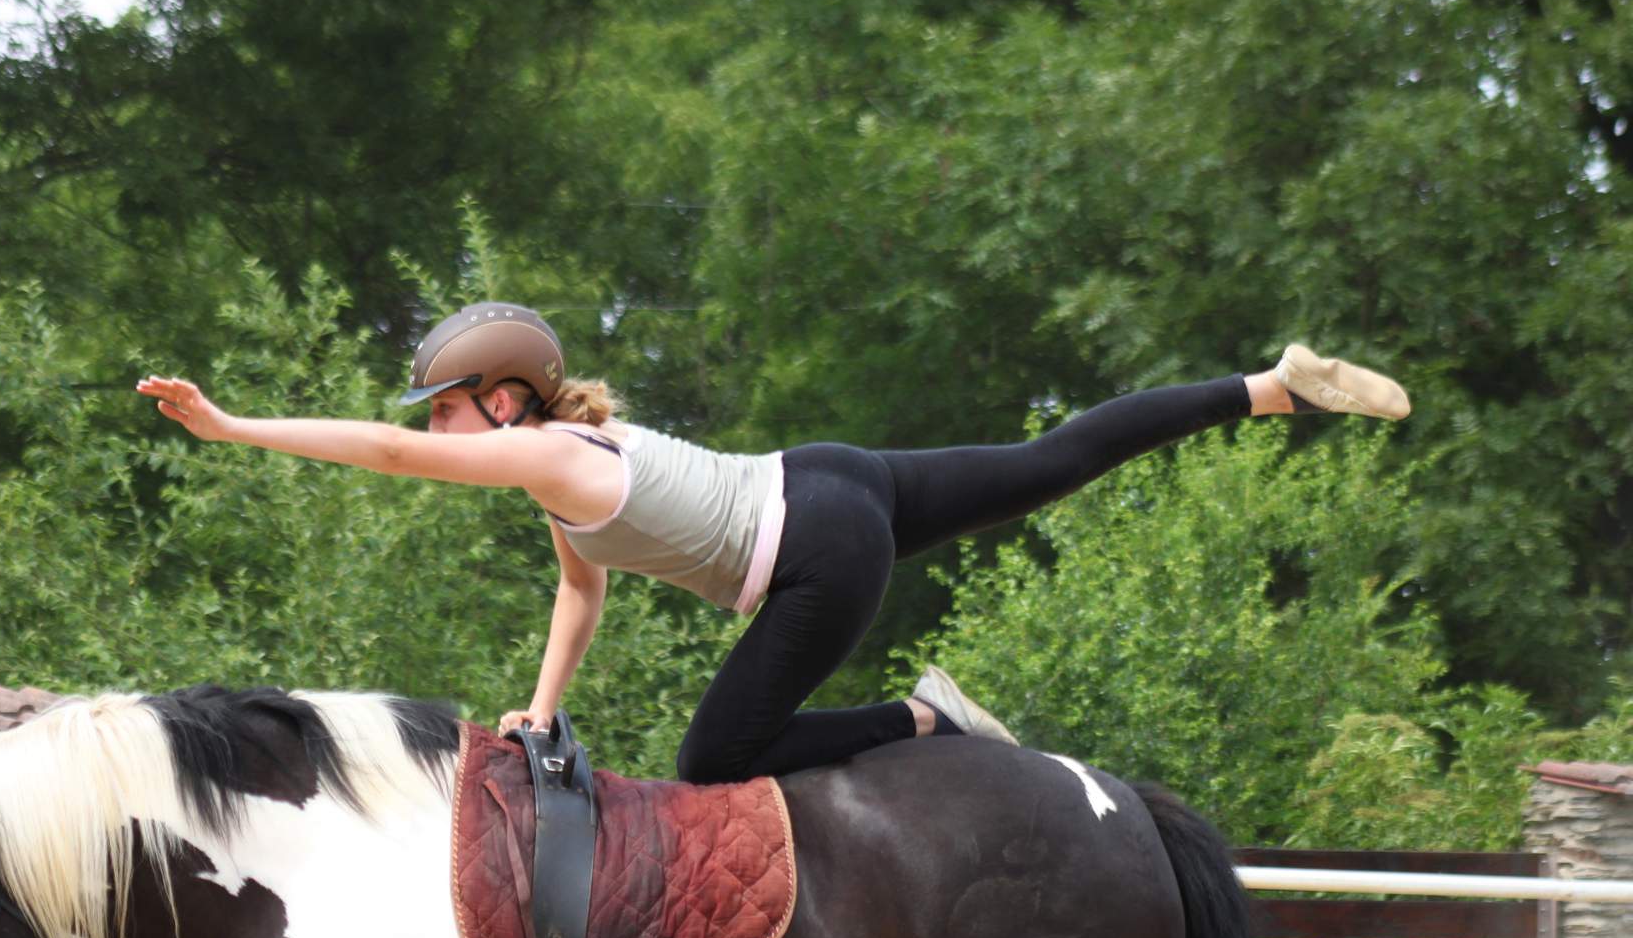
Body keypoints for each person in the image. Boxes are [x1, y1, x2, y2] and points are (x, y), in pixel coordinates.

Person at [137, 303, 1409, 784]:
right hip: (828, 479)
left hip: (811, 555)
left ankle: (927, 726)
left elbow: (394, 453)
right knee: (1041, 466)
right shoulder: (569, 475)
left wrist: (231, 423)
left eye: (456, 403)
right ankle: (1264, 386)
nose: (443, 428)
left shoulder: (540, 454)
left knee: (713, 759)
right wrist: (537, 708)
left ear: (507, 400)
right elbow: (581, 597)